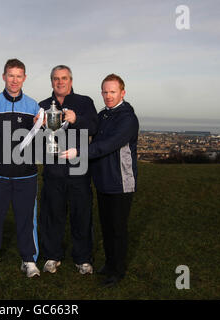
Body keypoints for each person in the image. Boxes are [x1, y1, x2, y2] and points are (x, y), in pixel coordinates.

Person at [60, 73, 139, 287]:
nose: (108, 96)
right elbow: (93, 133)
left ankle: (117, 271)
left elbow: (107, 145)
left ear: (122, 92)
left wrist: (78, 151)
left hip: (121, 181)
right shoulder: (104, 115)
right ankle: (110, 264)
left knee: (117, 229)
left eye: (112, 91)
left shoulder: (127, 118)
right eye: (105, 91)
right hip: (103, 180)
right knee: (106, 226)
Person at [0, 58, 41, 279]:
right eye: (10, 75)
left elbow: (40, 139)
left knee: (26, 219)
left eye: (19, 76)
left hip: (27, 174)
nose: (14, 80)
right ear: (4, 76)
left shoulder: (34, 106)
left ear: (24, 78)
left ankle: (29, 260)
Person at [38, 65, 98, 275]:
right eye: (56, 78)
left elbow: (94, 127)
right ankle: (52, 256)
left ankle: (82, 258)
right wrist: (37, 125)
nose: (60, 82)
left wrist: (76, 119)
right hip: (53, 170)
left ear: (71, 81)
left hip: (78, 170)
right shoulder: (43, 105)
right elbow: (35, 140)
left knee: (81, 216)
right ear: (51, 81)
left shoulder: (84, 102)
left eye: (64, 78)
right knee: (52, 215)